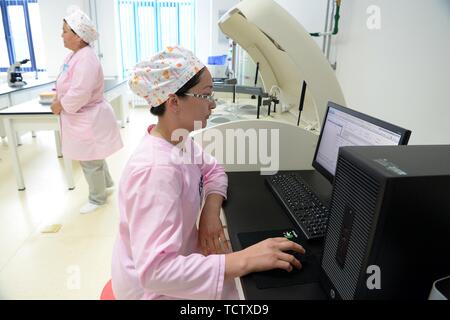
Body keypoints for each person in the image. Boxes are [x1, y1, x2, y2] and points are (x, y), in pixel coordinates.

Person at [111, 46, 305, 300]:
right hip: (150, 290)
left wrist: (209, 214)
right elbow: (156, 273)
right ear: (173, 102)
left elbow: (214, 170)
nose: (212, 104)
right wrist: (245, 259)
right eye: (206, 95)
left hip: (176, 259)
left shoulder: (179, 140)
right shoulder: (156, 170)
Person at [51, 8, 123, 214]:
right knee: (94, 155)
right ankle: (106, 184)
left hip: (86, 117)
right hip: (81, 117)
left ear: (78, 36)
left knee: (89, 160)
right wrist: (58, 96)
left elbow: (80, 92)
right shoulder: (75, 56)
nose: (61, 35)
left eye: (65, 31)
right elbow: (66, 83)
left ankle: (97, 198)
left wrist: (61, 105)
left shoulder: (86, 59)